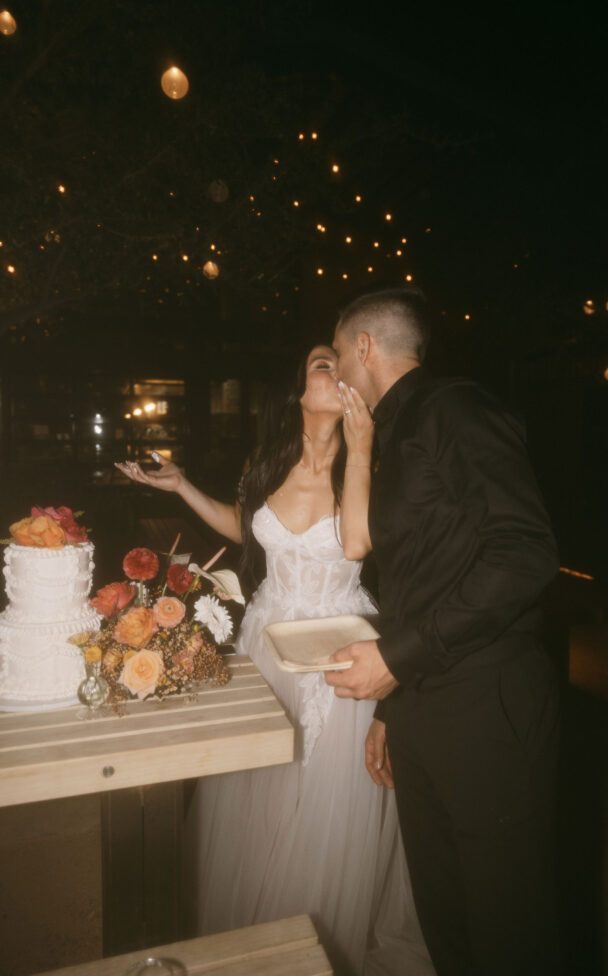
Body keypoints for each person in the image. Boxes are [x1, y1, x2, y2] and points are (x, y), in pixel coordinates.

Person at [116, 345, 434, 976]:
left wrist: (362, 440)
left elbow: (359, 542)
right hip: (264, 642)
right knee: (256, 794)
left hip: (340, 646)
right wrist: (182, 486)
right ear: (299, 390)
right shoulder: (267, 461)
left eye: (342, 362)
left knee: (325, 804)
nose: (336, 368)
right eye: (323, 362)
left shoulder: (374, 462)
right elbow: (247, 527)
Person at [327, 289, 562, 975]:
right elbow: (413, 581)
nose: (336, 367)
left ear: (364, 347)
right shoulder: (387, 431)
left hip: (488, 702)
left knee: (509, 932)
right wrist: (389, 708)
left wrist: (396, 660)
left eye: (338, 351)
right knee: (446, 925)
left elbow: (524, 552)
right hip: (423, 700)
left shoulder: (454, 408)